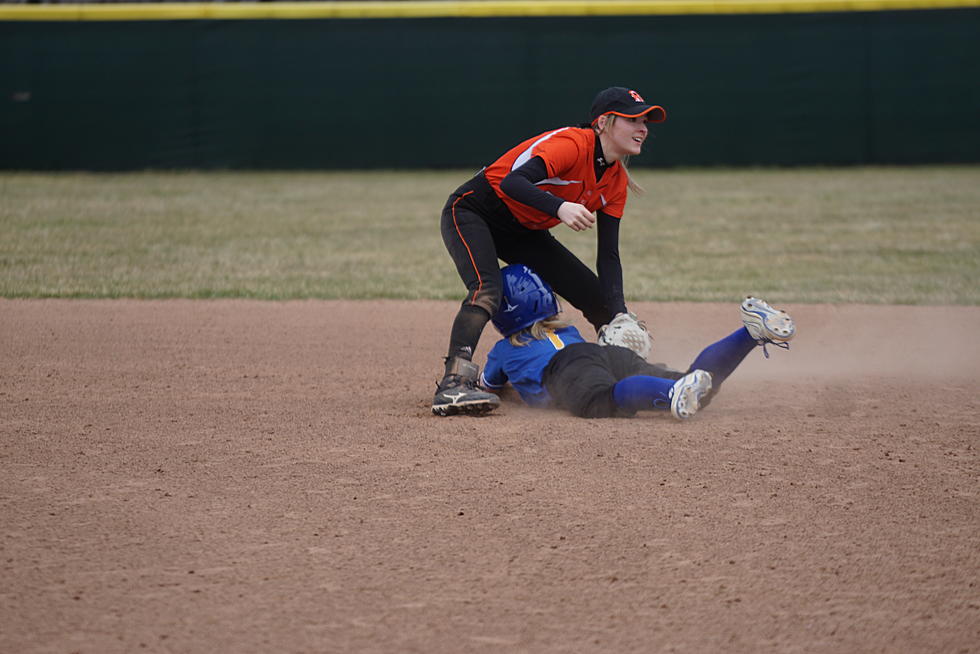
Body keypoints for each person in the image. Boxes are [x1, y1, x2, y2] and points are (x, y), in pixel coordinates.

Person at [433, 86, 667, 416]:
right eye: (633, 119)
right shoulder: (572, 145)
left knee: (600, 299)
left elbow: (609, 256)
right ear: (603, 123)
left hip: (523, 230)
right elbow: (512, 183)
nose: (643, 128)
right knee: (487, 289)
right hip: (475, 211)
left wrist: (619, 314)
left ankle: (628, 373)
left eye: (645, 121)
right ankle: (453, 384)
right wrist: (560, 208)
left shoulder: (615, 182)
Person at [479, 265, 796, 420]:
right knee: (696, 385)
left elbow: (489, 385)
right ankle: (750, 333)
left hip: (568, 369)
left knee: (602, 400)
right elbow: (587, 361)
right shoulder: (566, 330)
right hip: (601, 353)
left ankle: (670, 393)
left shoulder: (505, 349)